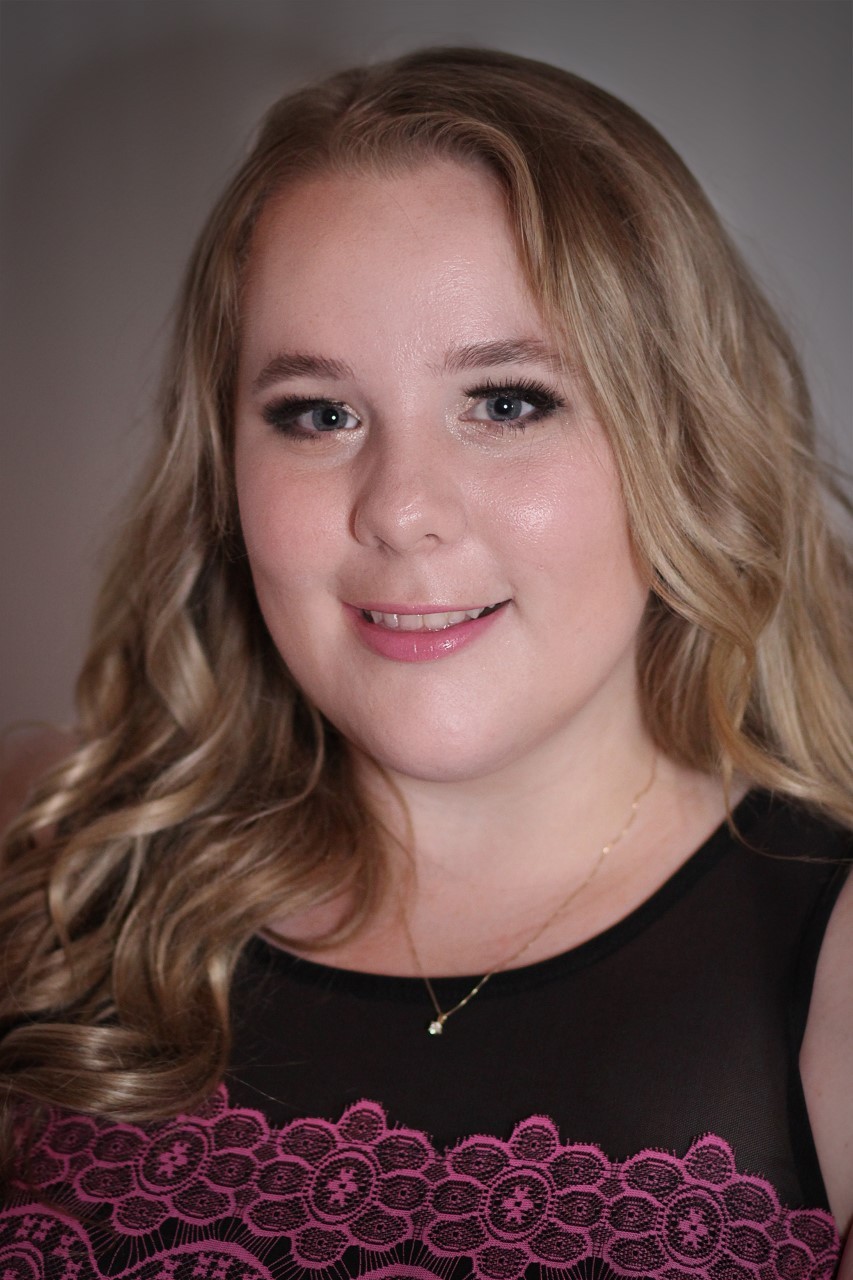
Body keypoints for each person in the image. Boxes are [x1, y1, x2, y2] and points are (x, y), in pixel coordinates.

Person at [0, 46, 850, 1280]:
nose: (399, 510)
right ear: (225, 477)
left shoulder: (833, 955)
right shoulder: (51, 870)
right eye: (318, 413)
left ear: (682, 443)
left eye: (505, 401)